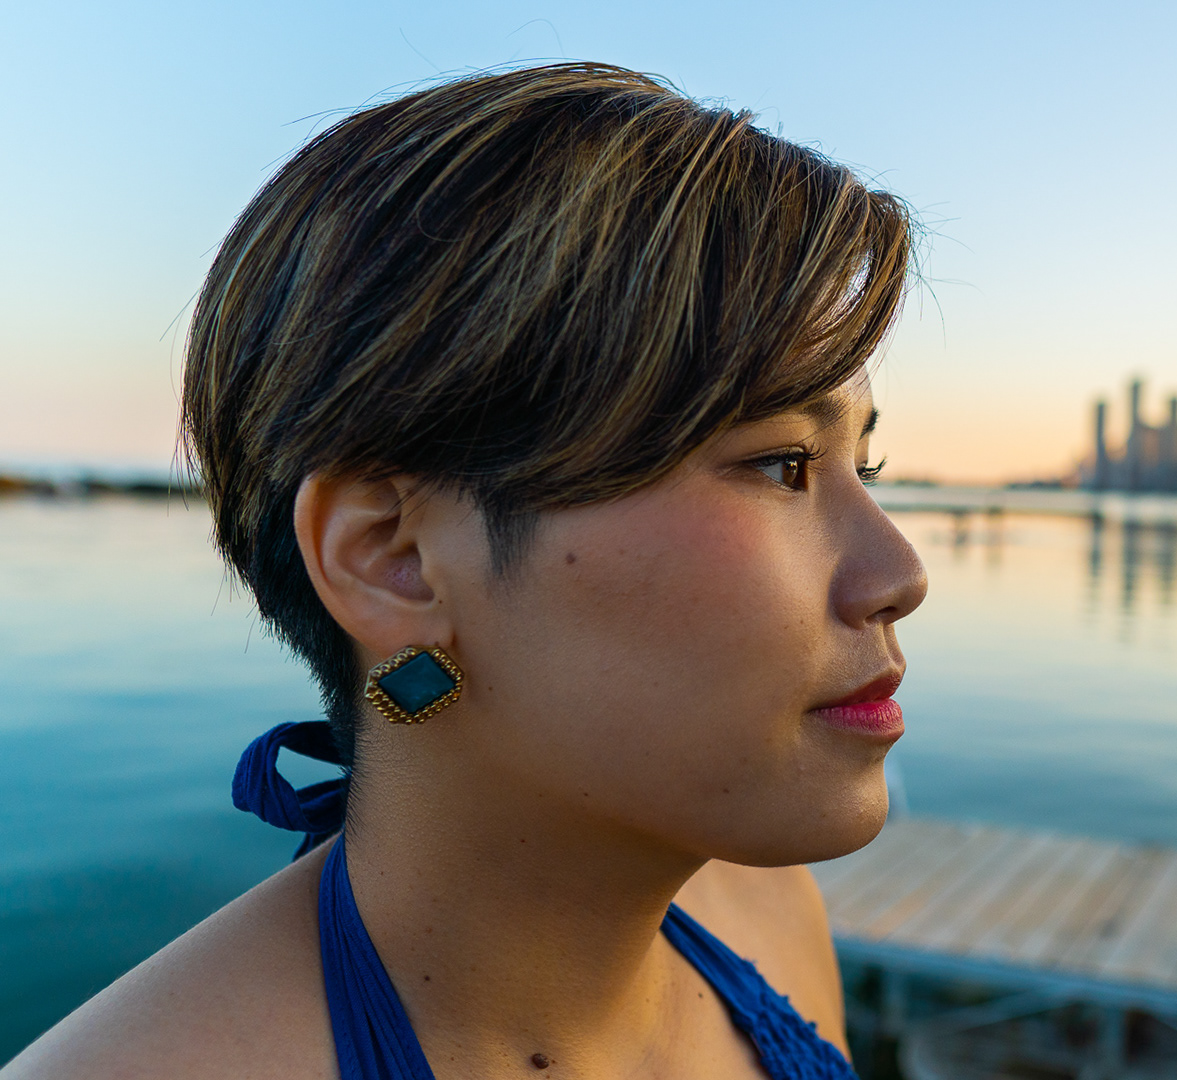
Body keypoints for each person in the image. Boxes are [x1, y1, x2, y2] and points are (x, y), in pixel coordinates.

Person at [5, 62, 927, 1080]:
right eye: (781, 464)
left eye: (864, 463)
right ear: (393, 559)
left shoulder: (765, 914)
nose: (900, 572)